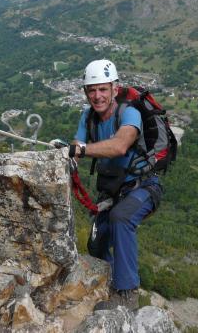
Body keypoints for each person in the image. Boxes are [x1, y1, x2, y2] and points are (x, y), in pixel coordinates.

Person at [70, 59, 163, 311]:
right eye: (92, 90)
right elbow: (77, 145)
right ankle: (110, 281)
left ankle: (126, 294)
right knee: (96, 243)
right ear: (85, 92)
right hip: (113, 193)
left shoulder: (129, 113)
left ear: (114, 88)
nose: (97, 96)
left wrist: (82, 149)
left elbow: (120, 145)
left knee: (121, 219)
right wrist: (66, 152)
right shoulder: (88, 117)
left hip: (143, 187)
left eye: (102, 89)